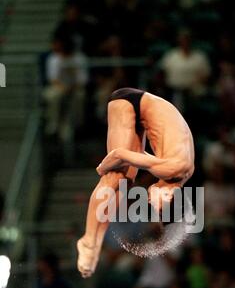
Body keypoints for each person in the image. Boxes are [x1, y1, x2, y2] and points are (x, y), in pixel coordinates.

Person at [77, 87, 195, 278]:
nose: (149, 201)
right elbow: (118, 155)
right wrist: (101, 168)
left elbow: (140, 155)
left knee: (127, 176)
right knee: (115, 176)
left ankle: (94, 242)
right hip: (129, 102)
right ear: (169, 196)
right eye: (156, 205)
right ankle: (89, 241)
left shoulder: (180, 173)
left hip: (143, 110)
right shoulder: (172, 169)